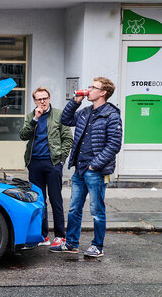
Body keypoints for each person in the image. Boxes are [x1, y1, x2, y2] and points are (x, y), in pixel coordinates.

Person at [50, 77, 122, 258]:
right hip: (80, 169)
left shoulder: (111, 115)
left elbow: (114, 145)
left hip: (94, 171)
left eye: (93, 87)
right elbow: (65, 120)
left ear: (103, 93)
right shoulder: (85, 112)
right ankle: (72, 243)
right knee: (74, 208)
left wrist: (94, 166)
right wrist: (74, 103)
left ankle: (98, 246)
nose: (88, 90)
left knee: (97, 211)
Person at [20, 87, 72, 248]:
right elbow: (23, 136)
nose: (42, 101)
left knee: (56, 200)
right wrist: (35, 119)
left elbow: (68, 138)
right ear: (34, 101)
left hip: (53, 163)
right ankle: (43, 236)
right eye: (39, 99)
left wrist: (60, 160)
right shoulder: (31, 116)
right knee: (38, 201)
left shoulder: (59, 115)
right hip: (34, 163)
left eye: (45, 98)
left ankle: (60, 236)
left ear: (49, 98)